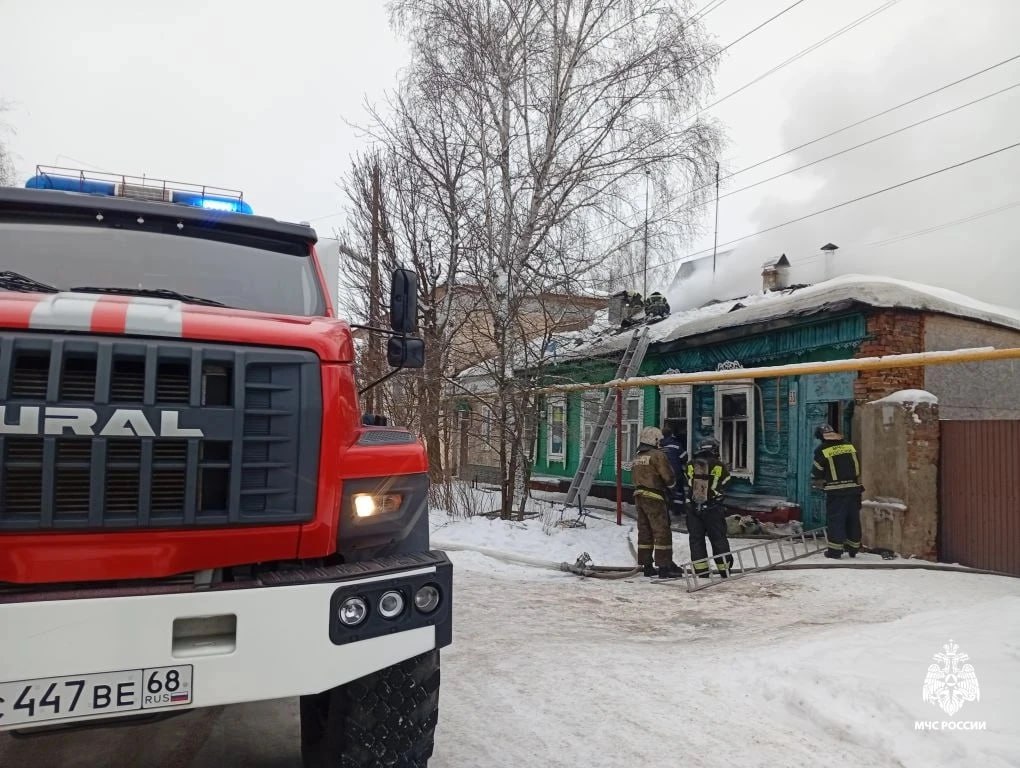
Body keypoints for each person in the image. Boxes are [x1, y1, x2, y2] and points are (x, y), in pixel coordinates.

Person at [630, 426, 683, 578]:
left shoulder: (637, 457)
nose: (661, 443)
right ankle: (664, 567)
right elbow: (668, 476)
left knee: (645, 531)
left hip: (639, 496)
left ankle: (647, 566)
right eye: (659, 440)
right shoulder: (658, 455)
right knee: (662, 531)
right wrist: (673, 489)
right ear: (654, 440)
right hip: (655, 497)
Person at [811, 424, 863, 559]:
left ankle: (835, 551)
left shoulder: (822, 450)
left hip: (836, 491)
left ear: (821, 436)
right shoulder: (849, 446)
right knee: (853, 519)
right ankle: (853, 548)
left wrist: (817, 481)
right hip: (853, 489)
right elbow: (857, 467)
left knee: (836, 519)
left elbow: (817, 472)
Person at [685, 437, 734, 578]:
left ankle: (702, 571)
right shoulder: (719, 466)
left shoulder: (690, 465)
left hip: (693, 508)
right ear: (714, 449)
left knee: (696, 539)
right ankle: (724, 570)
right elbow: (727, 482)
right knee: (718, 538)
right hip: (713, 507)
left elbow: (687, 481)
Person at [659, 423, 688, 522]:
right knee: (679, 491)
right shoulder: (676, 445)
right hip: (676, 472)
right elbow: (684, 457)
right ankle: (678, 510)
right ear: (671, 434)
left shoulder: (659, 446)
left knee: (666, 491)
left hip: (662, 473)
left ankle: (666, 510)